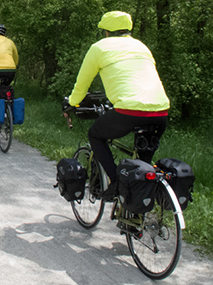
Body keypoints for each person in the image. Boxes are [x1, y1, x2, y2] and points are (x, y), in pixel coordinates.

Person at [64, 11, 170, 200]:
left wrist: (71, 103)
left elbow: (82, 84)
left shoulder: (99, 48)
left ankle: (116, 184)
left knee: (95, 134)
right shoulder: (141, 47)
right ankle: (136, 214)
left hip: (129, 110)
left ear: (106, 32)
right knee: (143, 166)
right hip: (160, 111)